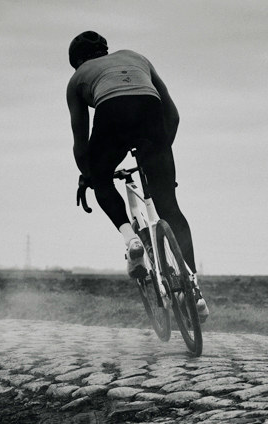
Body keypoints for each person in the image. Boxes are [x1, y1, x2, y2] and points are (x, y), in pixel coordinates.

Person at [66, 30, 208, 322]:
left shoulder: (78, 77)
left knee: (102, 181)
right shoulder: (136, 57)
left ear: (78, 61)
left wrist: (88, 175)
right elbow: (174, 116)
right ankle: (193, 290)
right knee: (171, 207)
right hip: (151, 113)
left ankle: (131, 240)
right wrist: (158, 157)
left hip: (112, 112)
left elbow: (81, 141)